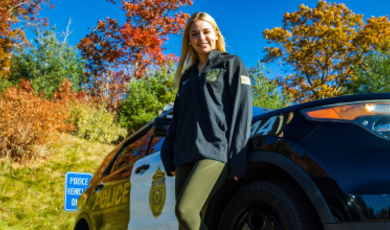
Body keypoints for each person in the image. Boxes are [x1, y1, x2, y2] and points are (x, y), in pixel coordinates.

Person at [161, 12, 252, 230]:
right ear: (189, 40)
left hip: (214, 150)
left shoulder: (231, 64)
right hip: (184, 155)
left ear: (215, 34)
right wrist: (169, 154)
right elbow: (178, 119)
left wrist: (238, 158)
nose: (201, 38)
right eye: (194, 34)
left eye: (206, 31)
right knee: (185, 223)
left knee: (185, 210)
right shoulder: (187, 76)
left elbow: (242, 111)